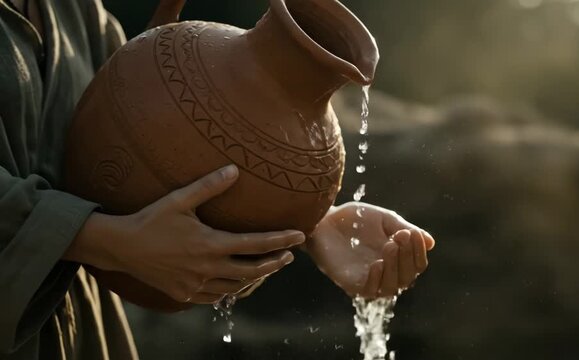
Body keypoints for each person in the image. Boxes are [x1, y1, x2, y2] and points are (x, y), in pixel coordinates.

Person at [0, 0, 435, 359]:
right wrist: (102, 239)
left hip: (80, 333)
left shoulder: (73, 10)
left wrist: (311, 225)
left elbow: (139, 150)